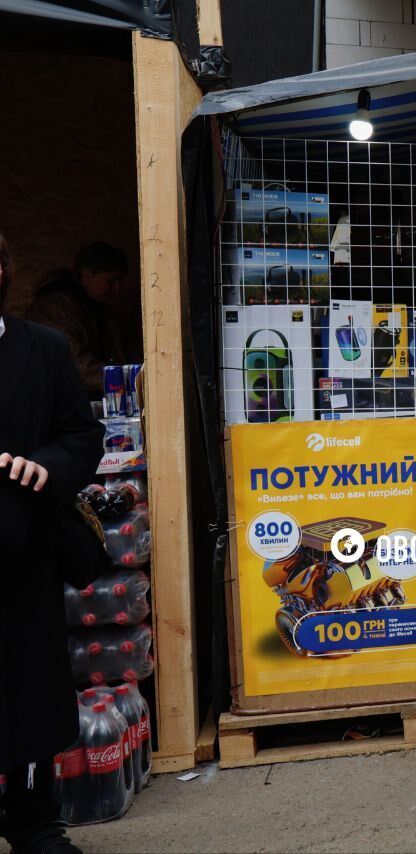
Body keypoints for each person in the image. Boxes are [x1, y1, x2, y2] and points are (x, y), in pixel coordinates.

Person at [0, 231, 105, 854]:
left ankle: (35, 822)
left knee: (29, 689)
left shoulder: (42, 349)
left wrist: (47, 464)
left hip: (23, 554)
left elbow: (81, 438)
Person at [24, 242, 130, 396]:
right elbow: (76, 363)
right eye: (111, 281)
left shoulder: (98, 307)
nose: (117, 289)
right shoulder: (53, 308)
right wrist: (125, 382)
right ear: (87, 276)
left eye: (120, 281)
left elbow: (122, 348)